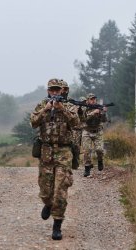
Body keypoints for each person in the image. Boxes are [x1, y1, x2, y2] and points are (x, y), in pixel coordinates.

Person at [30, 78, 79, 240]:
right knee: (45, 190)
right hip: (46, 151)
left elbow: (76, 122)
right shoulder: (42, 105)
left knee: (61, 189)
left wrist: (61, 109)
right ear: (48, 91)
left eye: (58, 90)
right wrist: (46, 109)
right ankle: (48, 203)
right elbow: (33, 122)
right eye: (52, 90)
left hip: (64, 151)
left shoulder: (69, 106)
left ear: (62, 91)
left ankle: (57, 224)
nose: (55, 92)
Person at [81, 93, 107, 177]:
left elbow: (104, 120)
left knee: (99, 149)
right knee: (87, 150)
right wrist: (92, 113)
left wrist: (103, 113)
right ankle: (87, 168)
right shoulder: (84, 108)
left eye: (94, 99)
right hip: (87, 131)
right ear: (88, 100)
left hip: (98, 131)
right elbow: (83, 119)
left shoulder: (99, 107)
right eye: (91, 99)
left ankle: (100, 160)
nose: (93, 100)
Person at [59, 79, 82, 170]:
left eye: (65, 89)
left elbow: (77, 118)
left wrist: (78, 110)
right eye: (61, 89)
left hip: (70, 130)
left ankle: (75, 162)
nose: (63, 91)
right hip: (55, 130)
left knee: (75, 147)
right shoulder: (50, 101)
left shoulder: (71, 102)